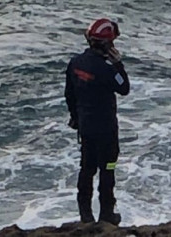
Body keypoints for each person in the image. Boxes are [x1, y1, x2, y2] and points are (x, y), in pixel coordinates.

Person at [64, 17, 130, 225]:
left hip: (86, 128)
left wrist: (75, 117)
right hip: (106, 130)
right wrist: (118, 64)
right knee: (108, 169)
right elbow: (124, 88)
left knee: (86, 169)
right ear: (108, 44)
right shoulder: (107, 70)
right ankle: (106, 215)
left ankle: (85, 216)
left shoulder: (76, 63)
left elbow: (69, 94)